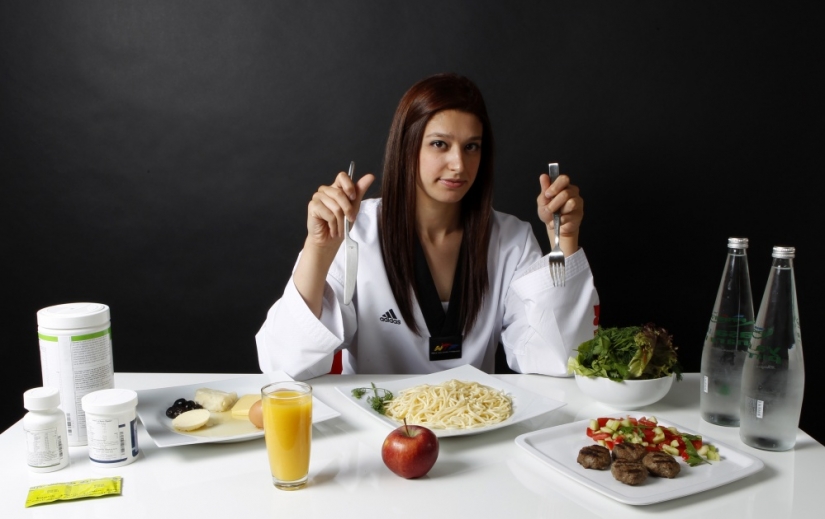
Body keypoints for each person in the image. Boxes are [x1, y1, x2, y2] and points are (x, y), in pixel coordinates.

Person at [256, 73, 599, 379]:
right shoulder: (356, 231)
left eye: (472, 147)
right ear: (407, 148)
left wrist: (564, 242)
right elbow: (285, 365)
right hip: (377, 431)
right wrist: (319, 248)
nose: (458, 164)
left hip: (477, 427)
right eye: (440, 144)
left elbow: (558, 360)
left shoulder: (511, 239)